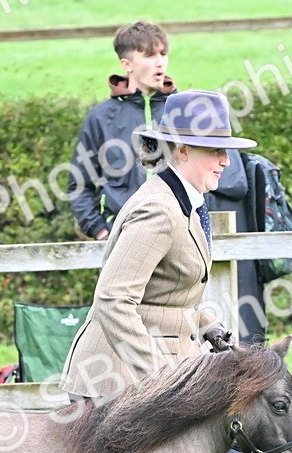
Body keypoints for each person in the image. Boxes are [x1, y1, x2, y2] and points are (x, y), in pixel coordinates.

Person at [58, 90, 268, 453]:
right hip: (116, 379)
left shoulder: (184, 201)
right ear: (178, 149)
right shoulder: (157, 209)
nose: (224, 160)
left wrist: (207, 322)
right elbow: (114, 299)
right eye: (212, 150)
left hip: (160, 375)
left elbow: (168, 294)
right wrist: (160, 382)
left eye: (226, 149)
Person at [67, 21, 266, 342]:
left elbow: (218, 182)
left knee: (181, 314)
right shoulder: (102, 118)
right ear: (126, 64)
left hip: (182, 235)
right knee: (122, 312)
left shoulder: (183, 111)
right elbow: (79, 185)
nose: (159, 62)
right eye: (149, 55)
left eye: (163, 54)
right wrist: (103, 230)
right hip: (132, 236)